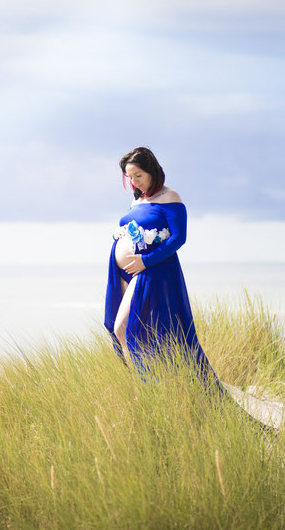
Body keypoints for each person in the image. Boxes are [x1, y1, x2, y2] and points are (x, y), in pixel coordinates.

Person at [104, 146, 222, 391]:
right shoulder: (136, 200)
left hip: (150, 270)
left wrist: (145, 261)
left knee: (123, 328)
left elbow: (178, 238)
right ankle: (141, 383)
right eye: (130, 176)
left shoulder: (170, 197)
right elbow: (134, 227)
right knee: (135, 332)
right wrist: (118, 233)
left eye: (139, 175)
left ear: (152, 171)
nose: (134, 181)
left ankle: (148, 386)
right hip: (124, 272)